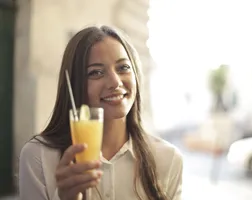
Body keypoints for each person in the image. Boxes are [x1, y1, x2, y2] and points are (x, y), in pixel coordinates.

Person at [19, 25, 183, 200]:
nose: (115, 82)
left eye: (123, 68)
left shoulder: (169, 159)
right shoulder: (37, 157)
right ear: (75, 84)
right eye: (96, 72)